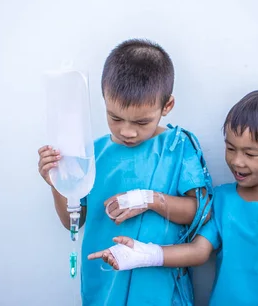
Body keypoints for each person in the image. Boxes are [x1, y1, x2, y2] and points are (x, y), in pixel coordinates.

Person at [89, 89, 258, 306]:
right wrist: (145, 254)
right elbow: (199, 251)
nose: (236, 161)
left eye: (250, 153)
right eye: (230, 148)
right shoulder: (222, 201)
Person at [38, 39, 212, 305]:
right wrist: (56, 182)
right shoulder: (91, 154)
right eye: (115, 118)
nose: (127, 131)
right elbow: (74, 220)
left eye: (142, 122)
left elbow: (200, 212)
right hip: (106, 285)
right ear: (105, 100)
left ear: (167, 106)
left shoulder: (178, 147)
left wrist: (148, 200)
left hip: (160, 288)